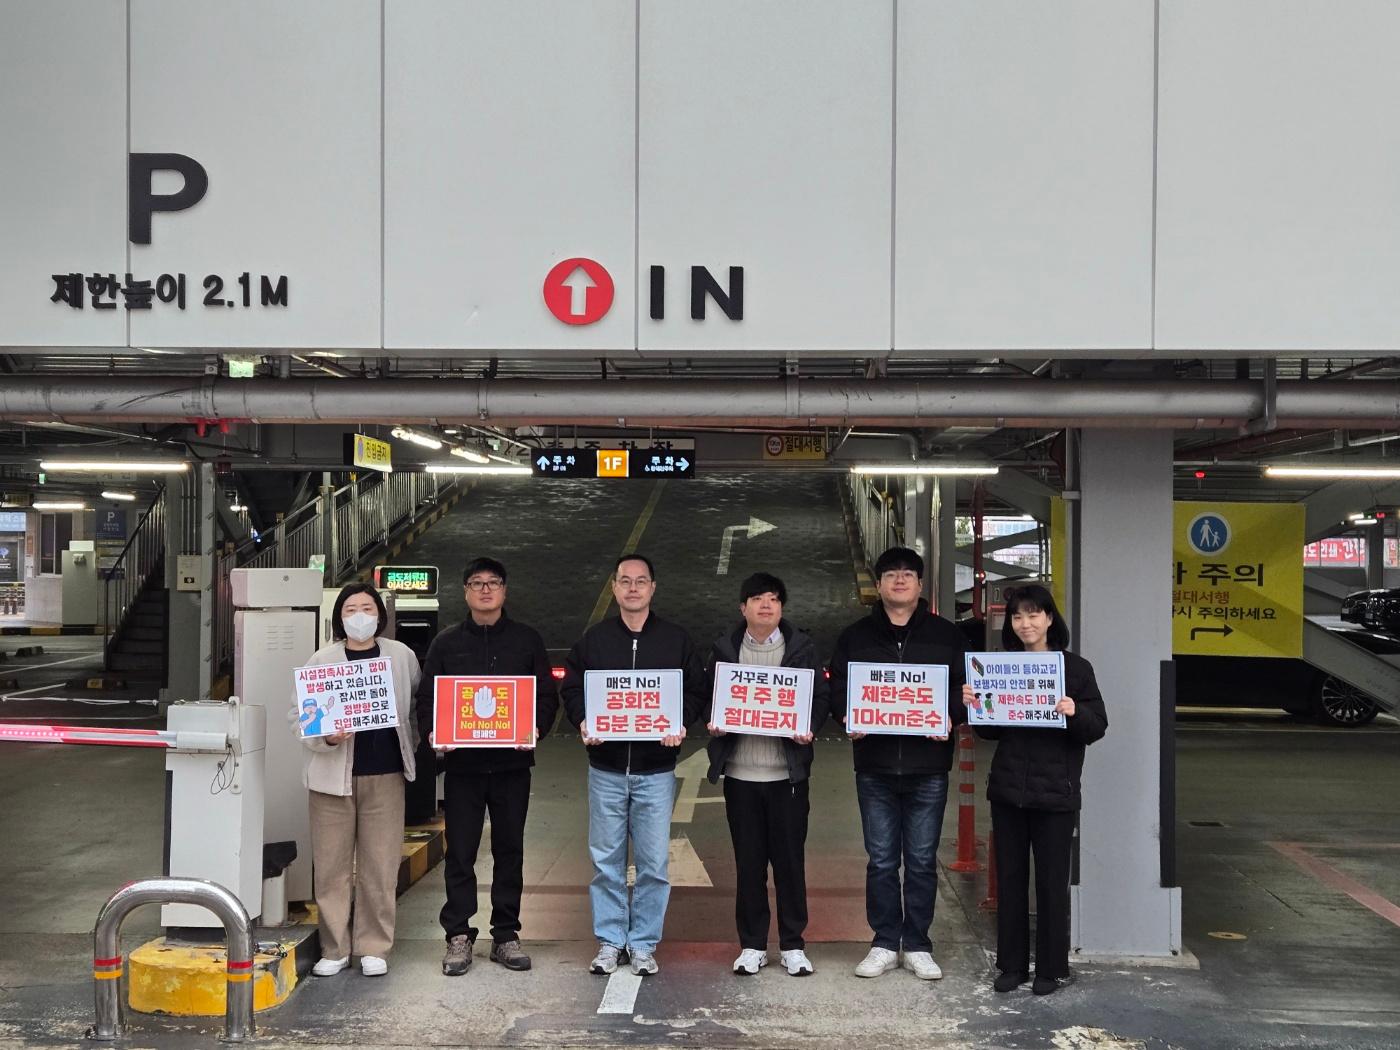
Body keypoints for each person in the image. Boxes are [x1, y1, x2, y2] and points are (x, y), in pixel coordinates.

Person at [561, 553, 705, 977]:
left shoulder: (676, 640)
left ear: (653, 587)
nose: (633, 588)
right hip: (605, 768)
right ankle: (609, 940)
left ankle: (642, 943)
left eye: (641, 581)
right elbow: (572, 687)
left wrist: (680, 722)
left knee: (653, 863)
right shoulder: (595, 640)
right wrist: (583, 719)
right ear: (614, 587)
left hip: (655, 770)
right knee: (605, 860)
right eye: (625, 581)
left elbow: (696, 691)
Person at [829, 546, 968, 980]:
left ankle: (919, 944)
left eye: (909, 574)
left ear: (921, 585)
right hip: (875, 764)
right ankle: (885, 942)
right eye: (892, 574)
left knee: (924, 860)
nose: (901, 580)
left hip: (929, 765)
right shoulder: (855, 636)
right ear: (880, 584)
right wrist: (848, 716)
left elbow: (966, 690)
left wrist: (952, 715)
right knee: (883, 859)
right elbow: (838, 692)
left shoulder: (947, 635)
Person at [960, 583, 1107, 996]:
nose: (1026, 623)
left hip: (1056, 794)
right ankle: (1010, 966)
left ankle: (1051, 968)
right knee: (1009, 880)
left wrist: (1075, 711)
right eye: (1018, 616)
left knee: (1051, 883)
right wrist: (977, 704)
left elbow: (1097, 726)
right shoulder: (1002, 667)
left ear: (1049, 618)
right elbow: (990, 730)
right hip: (1008, 791)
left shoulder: (1075, 670)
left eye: (1034, 614)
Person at [415, 557, 559, 976]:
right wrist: (432, 734)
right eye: (476, 583)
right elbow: (428, 700)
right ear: (465, 592)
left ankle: (505, 935)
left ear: (504, 591)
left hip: (512, 766)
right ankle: (457, 935)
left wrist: (537, 728)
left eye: (492, 583)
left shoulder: (527, 641)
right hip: (462, 768)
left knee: (509, 850)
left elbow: (546, 698)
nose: (484, 590)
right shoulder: (445, 644)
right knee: (460, 852)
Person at [704, 572, 829, 977]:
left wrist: (809, 724)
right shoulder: (724, 650)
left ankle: (793, 944)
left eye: (774, 599)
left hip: (787, 776)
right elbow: (707, 696)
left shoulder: (802, 649)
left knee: (790, 864)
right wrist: (715, 723)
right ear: (743, 608)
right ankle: (753, 944)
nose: (765, 605)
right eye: (756, 598)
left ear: (782, 608)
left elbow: (820, 698)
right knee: (749, 864)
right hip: (741, 775)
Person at [298, 582, 422, 977]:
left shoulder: (400, 656)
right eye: (350, 609)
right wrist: (328, 737)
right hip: (332, 780)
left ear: (380, 616)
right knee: (332, 867)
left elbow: (416, 705)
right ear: (339, 618)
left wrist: (412, 744)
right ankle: (334, 947)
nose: (360, 616)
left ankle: (374, 946)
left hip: (385, 775)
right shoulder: (322, 659)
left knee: (380, 866)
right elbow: (300, 715)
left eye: (367, 608)